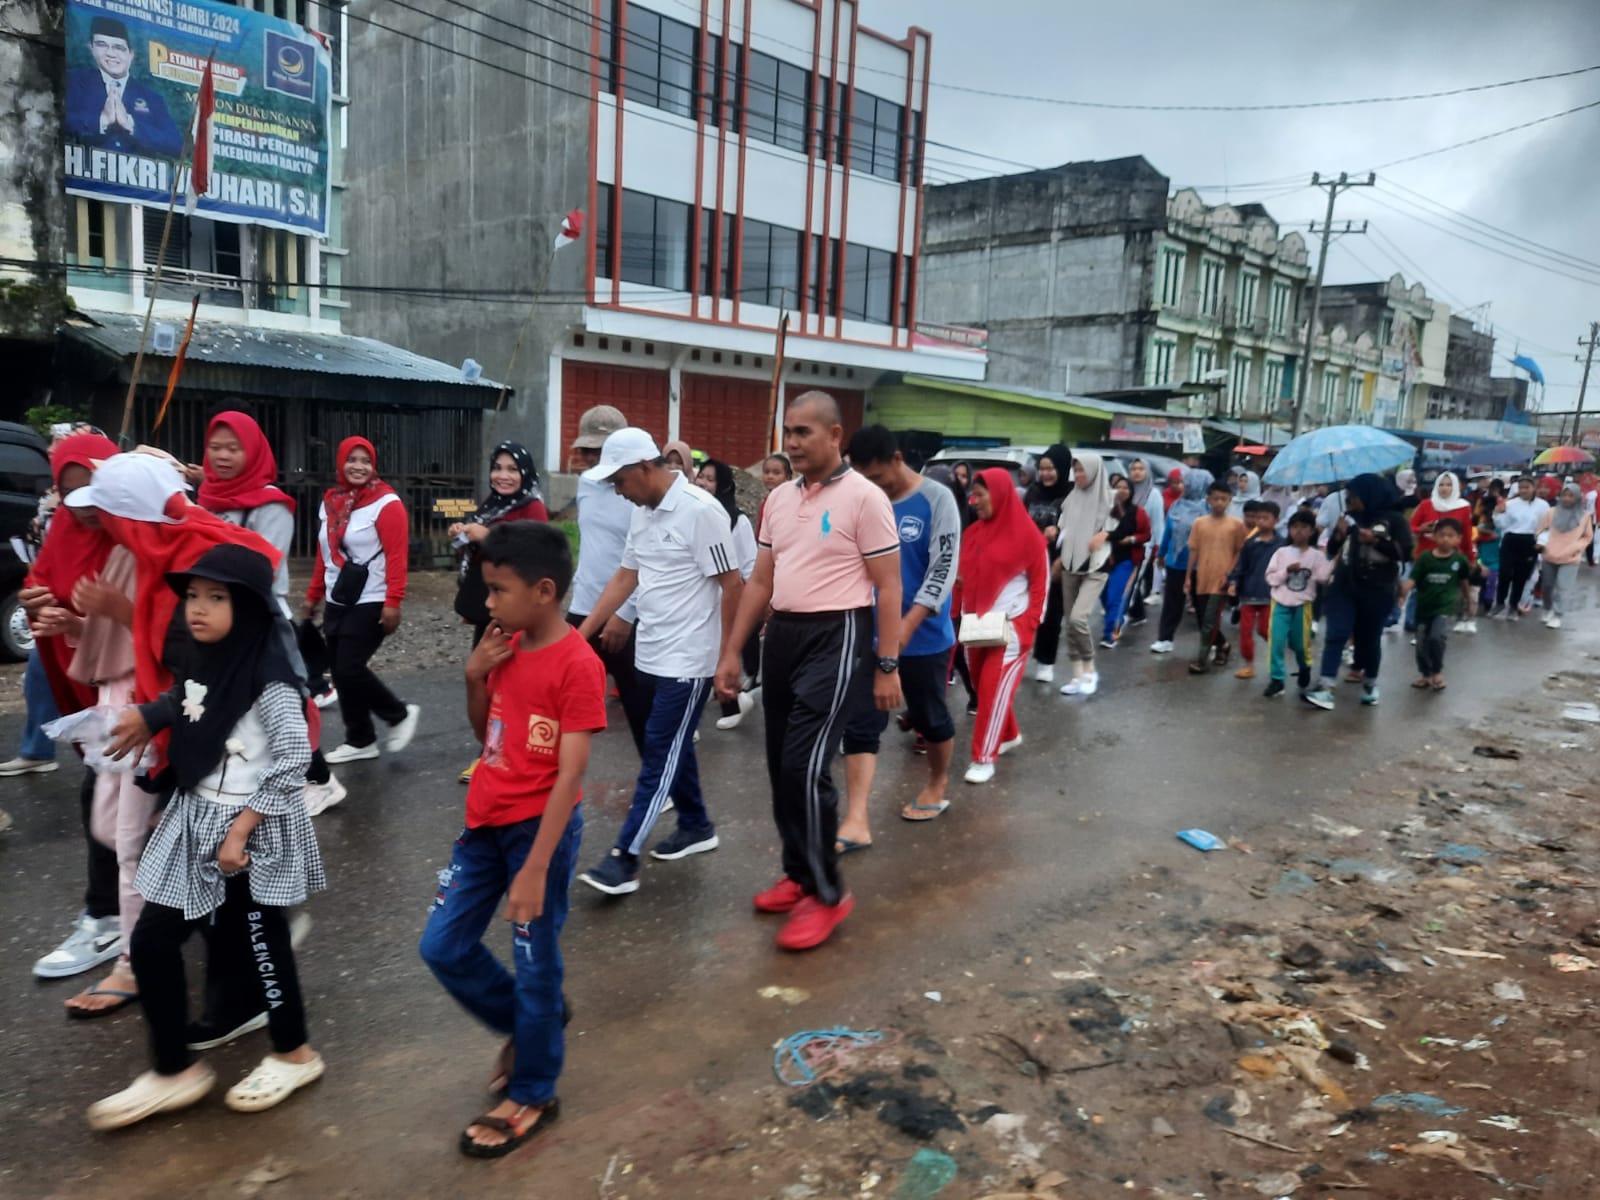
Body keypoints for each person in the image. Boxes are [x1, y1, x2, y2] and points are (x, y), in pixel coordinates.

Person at [88, 545, 325, 1130]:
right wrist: (153, 713)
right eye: (192, 595)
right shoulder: (204, 657)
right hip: (197, 817)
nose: (197, 608)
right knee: (150, 943)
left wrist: (243, 828)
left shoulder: (269, 676)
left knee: (262, 943)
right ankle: (174, 1071)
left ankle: (294, 1053)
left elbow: (295, 756)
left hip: (251, 829)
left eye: (216, 598)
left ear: (247, 608)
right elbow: (191, 702)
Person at [419, 522, 602, 1158]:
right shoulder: (504, 647)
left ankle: (534, 1090)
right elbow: (487, 737)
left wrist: (536, 868)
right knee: (441, 947)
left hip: (536, 836)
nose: (488, 604)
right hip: (482, 824)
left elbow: (572, 772)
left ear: (544, 591)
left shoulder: (578, 665)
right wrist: (474, 677)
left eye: (497, 590)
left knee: (536, 962)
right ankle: (531, 1024)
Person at [713, 391, 902, 951]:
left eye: (803, 432)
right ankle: (799, 874)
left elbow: (889, 586)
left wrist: (887, 663)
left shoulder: (865, 499)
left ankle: (827, 894)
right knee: (780, 767)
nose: (792, 443)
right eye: (787, 432)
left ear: (835, 435)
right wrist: (731, 652)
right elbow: (763, 583)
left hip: (838, 634)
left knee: (805, 763)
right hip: (785, 638)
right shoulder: (778, 500)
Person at [572, 431, 742, 896]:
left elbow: (732, 585)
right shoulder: (642, 512)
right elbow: (627, 575)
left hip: (689, 660)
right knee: (667, 746)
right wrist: (577, 638)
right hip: (650, 651)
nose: (617, 490)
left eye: (621, 480)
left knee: (659, 755)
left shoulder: (702, 512)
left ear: (646, 468)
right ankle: (696, 825)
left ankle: (623, 857)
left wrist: (729, 656)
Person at [194, 411, 345, 817]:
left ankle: (321, 780)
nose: (223, 456)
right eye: (216, 447)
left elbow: (265, 569)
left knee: (281, 707)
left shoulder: (271, 504)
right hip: (217, 618)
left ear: (254, 450)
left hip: (259, 621)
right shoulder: (206, 496)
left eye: (234, 448)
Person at [24, 433, 127, 994]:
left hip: (144, 691)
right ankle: (114, 918)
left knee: (127, 806)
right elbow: (43, 578)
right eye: (68, 492)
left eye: (92, 486)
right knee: (110, 804)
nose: (81, 503)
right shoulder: (67, 527)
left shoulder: (139, 527)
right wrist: (39, 601)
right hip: (95, 685)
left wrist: (92, 620)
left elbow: (163, 621)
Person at [837, 426, 960, 839]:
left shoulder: (936, 499)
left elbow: (942, 569)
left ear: (896, 459)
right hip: (868, 635)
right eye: (863, 479)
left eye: (877, 478)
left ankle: (938, 782)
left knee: (930, 718)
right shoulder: (863, 500)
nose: (872, 487)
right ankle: (856, 818)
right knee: (861, 723)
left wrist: (906, 627)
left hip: (923, 636)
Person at [303, 437, 420, 763]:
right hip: (338, 598)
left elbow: (398, 556)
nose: (358, 466)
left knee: (350, 668)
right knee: (339, 673)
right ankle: (360, 739)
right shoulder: (330, 502)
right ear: (340, 463)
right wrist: (313, 597)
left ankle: (398, 714)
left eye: (365, 460)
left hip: (373, 597)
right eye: (352, 459)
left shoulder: (386, 503)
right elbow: (323, 555)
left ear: (374, 465)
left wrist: (394, 600)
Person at [450, 441, 548, 783]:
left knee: (503, 683)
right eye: (498, 467)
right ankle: (493, 752)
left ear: (525, 473)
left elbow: (533, 555)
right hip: (490, 608)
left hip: (516, 610)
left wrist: (486, 535)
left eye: (512, 469)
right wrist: (464, 535)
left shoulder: (532, 507)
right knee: (491, 680)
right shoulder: (493, 504)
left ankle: (497, 756)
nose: (503, 476)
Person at [563, 405, 650, 754]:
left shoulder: (637, 493)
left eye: (596, 451)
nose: (587, 457)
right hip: (584, 606)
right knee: (556, 688)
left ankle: (662, 782)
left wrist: (625, 614)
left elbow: (646, 558)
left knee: (637, 704)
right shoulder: (584, 483)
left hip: (625, 614)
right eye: (584, 449)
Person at [959, 467, 1047, 782]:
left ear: (998, 495)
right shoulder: (972, 534)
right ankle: (1008, 734)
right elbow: (962, 580)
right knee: (983, 688)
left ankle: (983, 758)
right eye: (973, 495)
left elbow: (1040, 586)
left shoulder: (1029, 537)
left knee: (993, 688)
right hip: (976, 625)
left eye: (980, 495)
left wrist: (1028, 626)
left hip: (1011, 628)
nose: (974, 501)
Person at [1304, 474, 1413, 710]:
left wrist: (1375, 541)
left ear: (1368, 495)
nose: (1349, 500)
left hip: (1378, 588)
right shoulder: (1349, 517)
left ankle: (1370, 684)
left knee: (1369, 639)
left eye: (1352, 496)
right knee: (1336, 633)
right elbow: (1332, 550)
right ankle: (1325, 686)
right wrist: (1339, 534)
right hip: (1344, 584)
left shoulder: (1395, 519)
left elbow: (1406, 552)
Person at [695, 459, 761, 730]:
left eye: (710, 479)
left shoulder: (738, 521)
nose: (703, 483)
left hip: (727, 601)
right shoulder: (694, 514)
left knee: (717, 657)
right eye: (701, 477)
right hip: (700, 600)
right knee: (703, 659)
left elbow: (749, 566)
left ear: (722, 486)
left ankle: (732, 701)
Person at [64, 17, 183, 159]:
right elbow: (58, 121)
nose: (111, 53)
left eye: (119, 47)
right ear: (91, 47)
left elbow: (177, 145)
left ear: (131, 54)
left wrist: (130, 124)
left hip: (136, 178)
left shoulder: (151, 98)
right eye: (101, 45)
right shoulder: (74, 81)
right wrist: (101, 120)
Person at [1052, 456, 1116, 696]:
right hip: (1070, 565)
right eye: (1075, 470)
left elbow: (1123, 528)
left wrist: (1106, 535)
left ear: (1094, 472)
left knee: (1079, 618)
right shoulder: (1072, 498)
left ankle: (1090, 669)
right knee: (1069, 623)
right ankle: (1077, 675)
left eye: (1082, 471)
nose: (1078, 475)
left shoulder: (1110, 500)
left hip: (1095, 568)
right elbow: (1064, 530)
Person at [1399, 517, 1477, 691]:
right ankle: (1425, 675)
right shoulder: (1425, 558)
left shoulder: (1459, 560)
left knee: (1436, 637)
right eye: (1442, 535)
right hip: (1424, 606)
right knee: (1421, 643)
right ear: (1433, 536)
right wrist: (1402, 592)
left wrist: (1469, 601)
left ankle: (1437, 673)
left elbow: (1464, 582)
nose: (1446, 539)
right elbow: (1413, 579)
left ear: (1459, 538)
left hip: (1445, 607)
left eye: (1451, 536)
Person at [1263, 510, 1331, 698]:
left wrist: (1333, 558)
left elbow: (1323, 577)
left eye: (1304, 527)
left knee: (1300, 644)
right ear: (1289, 529)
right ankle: (1277, 679)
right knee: (1276, 642)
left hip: (1302, 606)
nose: (1299, 531)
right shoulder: (1281, 553)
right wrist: (1286, 571)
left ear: (1311, 531)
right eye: (1294, 527)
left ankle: (1305, 666)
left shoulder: (1316, 556)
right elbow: (1270, 578)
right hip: (1280, 603)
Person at [1186, 480, 1248, 675]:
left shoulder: (1236, 525)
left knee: (1209, 619)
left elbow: (1240, 552)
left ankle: (1201, 660)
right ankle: (1223, 644)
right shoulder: (1199, 523)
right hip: (1202, 575)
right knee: (1203, 618)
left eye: (1224, 499)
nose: (1219, 502)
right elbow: (1194, 551)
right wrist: (1188, 576)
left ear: (1229, 500)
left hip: (1221, 579)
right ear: (1208, 500)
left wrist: (1229, 574)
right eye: (1215, 498)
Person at [1150, 468, 1212, 654]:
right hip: (1176, 563)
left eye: (1188, 482)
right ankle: (1165, 639)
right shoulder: (1177, 505)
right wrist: (1161, 554)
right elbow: (1168, 532)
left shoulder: (1208, 509)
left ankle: (1211, 642)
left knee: (1203, 605)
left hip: (1201, 565)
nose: (1185, 486)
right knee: (1172, 603)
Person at [1023, 445, 1072, 682]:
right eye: (1042, 469)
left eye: (1050, 469)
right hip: (1029, 561)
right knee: (1023, 609)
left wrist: (1063, 559)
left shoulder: (1074, 495)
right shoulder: (1032, 492)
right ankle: (1019, 654)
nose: (1046, 474)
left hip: (1057, 563)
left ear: (1062, 468)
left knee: (1052, 613)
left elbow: (1082, 528)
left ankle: (1045, 660)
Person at [1226, 500, 1285, 681]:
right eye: (1259, 517)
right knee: (1245, 631)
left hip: (1271, 594)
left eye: (1265, 518)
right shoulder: (1250, 543)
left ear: (1276, 520)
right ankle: (1249, 665)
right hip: (1249, 594)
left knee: (1264, 630)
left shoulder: (1282, 545)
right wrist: (1234, 582)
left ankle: (1277, 655)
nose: (1261, 521)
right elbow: (1242, 566)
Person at [1098, 473, 1150, 649]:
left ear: (1131, 491)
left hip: (1126, 560)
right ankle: (1118, 619)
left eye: (1125, 488)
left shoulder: (1138, 512)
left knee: (1115, 596)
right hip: (1103, 560)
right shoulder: (1105, 510)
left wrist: (1132, 539)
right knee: (1103, 595)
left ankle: (1109, 635)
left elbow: (1147, 534)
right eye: (1117, 487)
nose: (1121, 491)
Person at [1535, 481, 1594, 629]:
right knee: (1547, 586)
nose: (1567, 499)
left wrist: (1576, 548)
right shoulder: (1551, 512)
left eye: (1571, 496)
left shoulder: (1585, 516)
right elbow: (1541, 530)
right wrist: (1542, 543)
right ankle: (1547, 609)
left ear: (1578, 498)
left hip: (1570, 557)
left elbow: (1587, 537)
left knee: (1563, 587)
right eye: (1564, 495)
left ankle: (1557, 614)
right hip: (1550, 554)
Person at [1493, 477, 1548, 619]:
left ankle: (1513, 605)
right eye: (1521, 488)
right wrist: (1497, 513)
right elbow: (1502, 524)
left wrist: (1541, 542)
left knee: (1521, 576)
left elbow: (1546, 527)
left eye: (1527, 487)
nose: (1523, 490)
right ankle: (1499, 603)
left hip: (1530, 541)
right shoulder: (1511, 504)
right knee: (1505, 573)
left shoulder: (1542, 505)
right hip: (1510, 539)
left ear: (1533, 487)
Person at [1125, 458, 1167, 626]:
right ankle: (1137, 612)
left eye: (1141, 468)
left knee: (1133, 579)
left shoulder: (1154, 494)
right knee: (1127, 578)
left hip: (1145, 545)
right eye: (1134, 468)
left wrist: (1158, 548)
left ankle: (1126, 612)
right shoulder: (1126, 490)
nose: (1137, 472)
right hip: (1125, 543)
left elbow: (1158, 523)